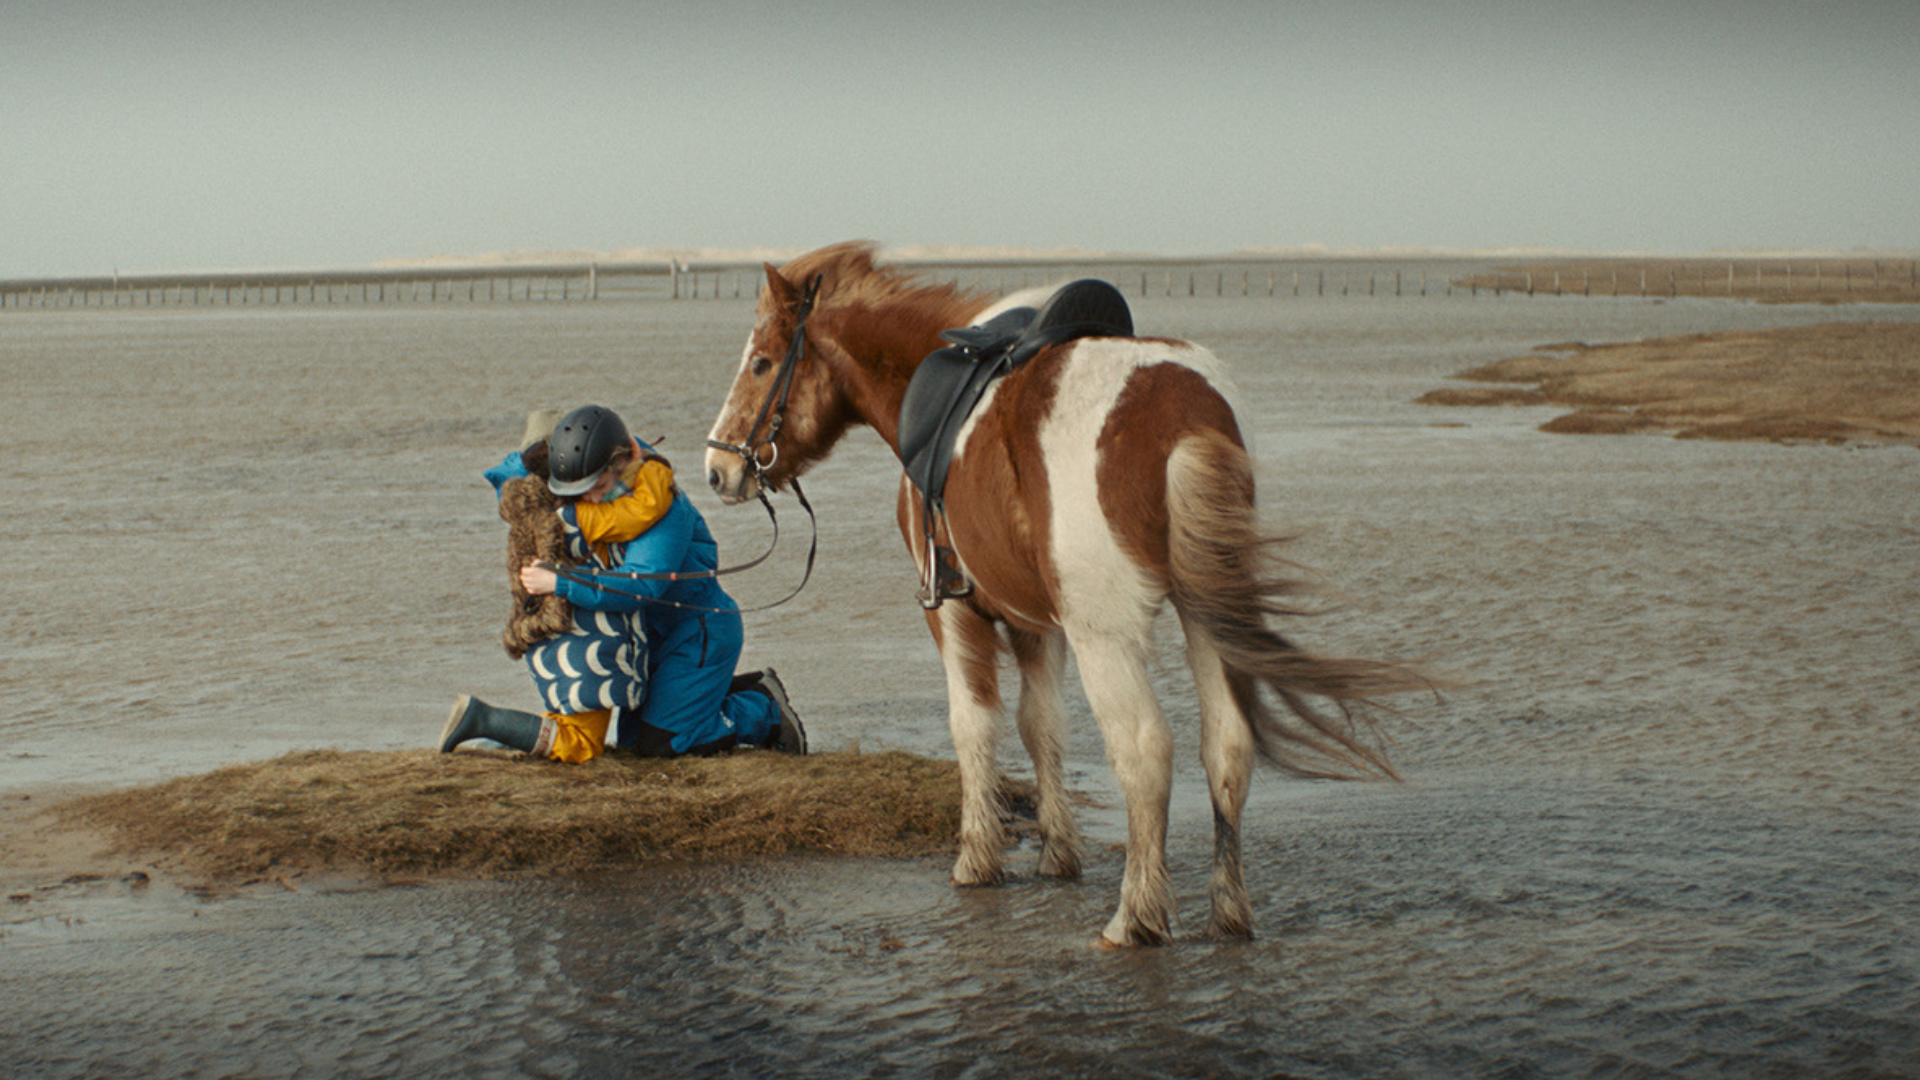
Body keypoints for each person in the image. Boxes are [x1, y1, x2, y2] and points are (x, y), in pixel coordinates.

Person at [441, 404, 805, 761]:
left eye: (600, 485)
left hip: (698, 631)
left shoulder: (665, 510)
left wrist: (562, 581)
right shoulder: (586, 482)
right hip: (647, 640)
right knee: (632, 746)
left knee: (664, 745)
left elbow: (641, 587)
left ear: (623, 462)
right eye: (581, 490)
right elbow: (513, 472)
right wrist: (537, 457)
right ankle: (712, 691)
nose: (592, 498)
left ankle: (763, 708)